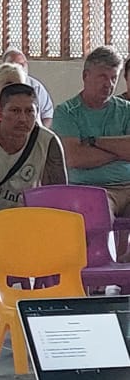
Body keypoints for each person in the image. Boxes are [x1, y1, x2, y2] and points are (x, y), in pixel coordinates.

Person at [53, 46, 130, 261]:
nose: (109, 84)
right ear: (85, 76)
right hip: (90, 189)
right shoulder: (66, 112)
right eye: (102, 77)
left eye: (113, 78)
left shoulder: (126, 110)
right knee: (97, 213)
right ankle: (99, 270)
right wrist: (120, 151)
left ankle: (124, 262)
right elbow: (74, 157)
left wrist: (94, 142)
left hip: (127, 185)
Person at [0, 83, 66, 214]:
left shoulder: (49, 142)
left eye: (29, 111)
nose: (23, 119)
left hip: (29, 220)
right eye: (15, 111)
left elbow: (57, 198)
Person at [0, 48, 54, 128]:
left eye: (21, 64)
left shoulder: (36, 87)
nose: (14, 89)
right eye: (8, 84)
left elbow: (47, 115)